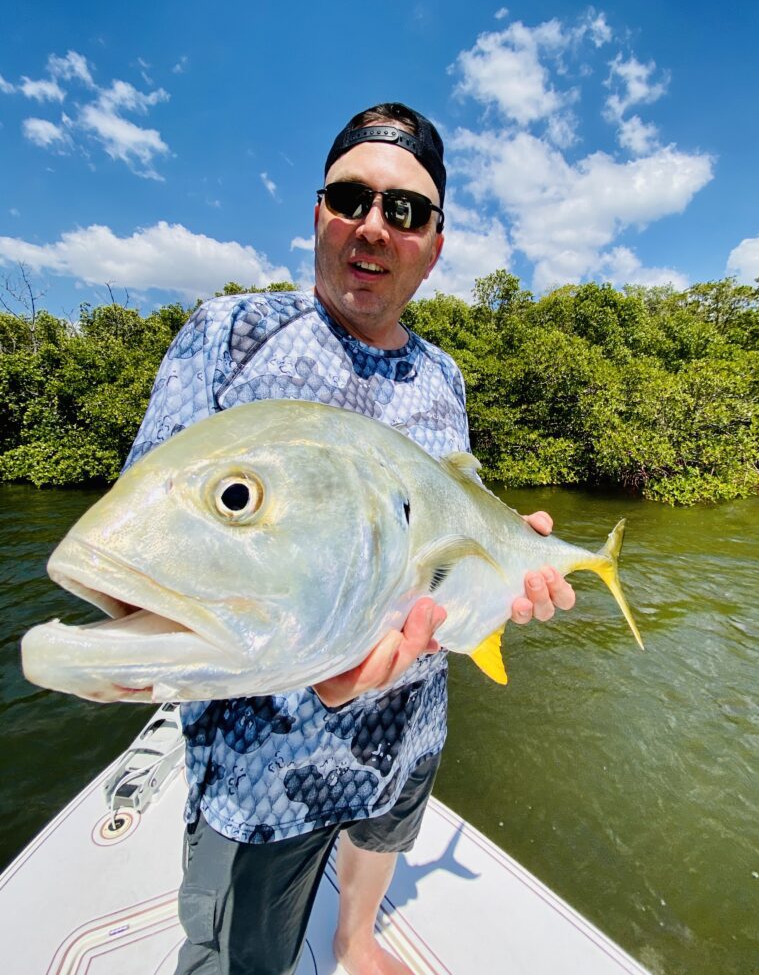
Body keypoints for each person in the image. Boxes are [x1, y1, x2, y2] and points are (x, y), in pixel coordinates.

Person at [125, 103, 576, 975]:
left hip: (413, 721)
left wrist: (507, 556)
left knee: (385, 833)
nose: (373, 225)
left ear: (433, 246)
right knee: (238, 958)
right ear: (319, 214)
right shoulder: (232, 335)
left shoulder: (444, 375)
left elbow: (454, 517)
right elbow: (139, 556)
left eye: (404, 210)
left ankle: (356, 937)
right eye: (350, 198)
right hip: (267, 772)